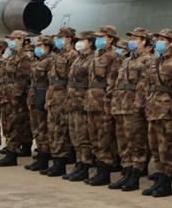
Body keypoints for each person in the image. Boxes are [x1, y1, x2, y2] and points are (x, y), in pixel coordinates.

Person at [142, 29, 172, 197]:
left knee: (167, 148)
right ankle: (159, 179)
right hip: (153, 109)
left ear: (171, 43)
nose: (159, 41)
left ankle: (166, 183)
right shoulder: (154, 61)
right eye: (158, 38)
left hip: (166, 110)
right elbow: (147, 85)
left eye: (163, 39)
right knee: (155, 147)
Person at [112, 27, 154, 191]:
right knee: (123, 143)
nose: (132, 41)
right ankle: (126, 172)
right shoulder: (126, 60)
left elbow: (143, 87)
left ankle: (134, 176)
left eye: (136, 38)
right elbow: (118, 85)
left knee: (136, 143)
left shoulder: (147, 60)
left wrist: (138, 107)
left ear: (144, 41)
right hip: (121, 106)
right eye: (131, 38)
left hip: (133, 108)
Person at [84, 25, 121, 186]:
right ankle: (98, 170)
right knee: (94, 137)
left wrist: (108, 102)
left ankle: (104, 172)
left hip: (102, 103)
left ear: (110, 39)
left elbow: (112, 83)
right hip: (91, 102)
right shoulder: (95, 56)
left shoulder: (113, 57)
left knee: (104, 138)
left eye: (101, 36)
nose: (98, 39)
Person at [43, 27, 78, 178]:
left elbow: (71, 80)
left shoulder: (73, 55)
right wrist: (48, 98)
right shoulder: (58, 55)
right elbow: (51, 80)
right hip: (53, 96)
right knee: (53, 129)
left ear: (69, 38)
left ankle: (61, 163)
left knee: (61, 130)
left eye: (61, 37)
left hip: (62, 96)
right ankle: (56, 161)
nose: (57, 39)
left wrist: (67, 99)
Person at [0, 30, 33, 166]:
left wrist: (16, 96)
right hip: (6, 96)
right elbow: (4, 78)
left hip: (14, 98)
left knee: (14, 125)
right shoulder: (11, 56)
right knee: (7, 125)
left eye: (13, 39)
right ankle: (9, 150)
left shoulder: (24, 57)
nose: (11, 41)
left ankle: (12, 155)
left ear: (21, 40)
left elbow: (22, 79)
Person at [63, 31, 95, 181]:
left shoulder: (93, 59)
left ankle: (85, 166)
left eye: (83, 40)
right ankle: (79, 163)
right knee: (75, 136)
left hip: (83, 102)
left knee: (83, 137)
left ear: (90, 42)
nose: (80, 42)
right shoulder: (78, 59)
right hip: (72, 102)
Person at [25, 37, 55, 171]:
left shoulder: (51, 60)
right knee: (36, 128)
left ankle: (44, 158)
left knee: (43, 129)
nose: (36, 48)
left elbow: (51, 81)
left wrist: (46, 98)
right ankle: (40, 155)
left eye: (40, 45)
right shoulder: (39, 60)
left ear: (47, 46)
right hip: (35, 93)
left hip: (43, 93)